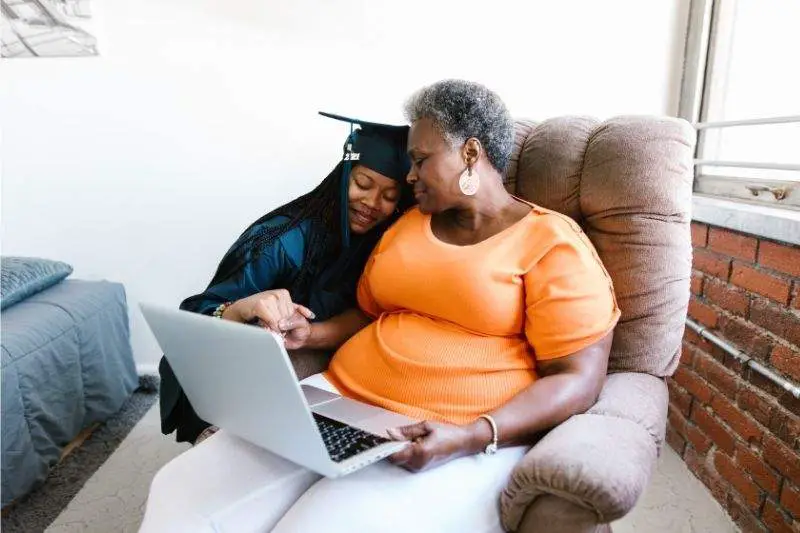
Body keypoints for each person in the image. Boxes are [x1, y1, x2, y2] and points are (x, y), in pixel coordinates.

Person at [141, 80, 621, 533]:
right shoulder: (408, 224)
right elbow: (370, 313)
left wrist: (474, 435)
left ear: (470, 153)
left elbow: (576, 377)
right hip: (334, 401)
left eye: (420, 159)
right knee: (182, 492)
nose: (409, 175)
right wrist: (313, 335)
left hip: (440, 429)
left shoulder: (552, 244)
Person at [159, 112, 414, 445]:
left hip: (324, 359)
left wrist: (311, 334)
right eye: (362, 184)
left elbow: (370, 313)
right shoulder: (280, 241)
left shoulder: (388, 243)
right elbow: (193, 319)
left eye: (389, 195)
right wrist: (242, 308)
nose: (371, 202)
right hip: (242, 366)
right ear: (342, 175)